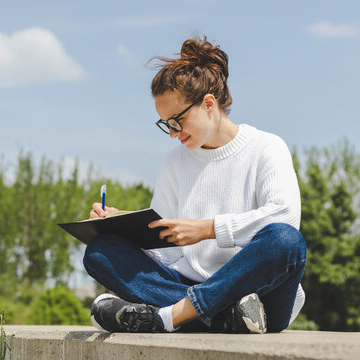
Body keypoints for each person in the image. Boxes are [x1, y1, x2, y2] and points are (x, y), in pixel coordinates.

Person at [83, 35, 306, 334]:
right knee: (100, 251)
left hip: (259, 296)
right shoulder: (173, 164)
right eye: (166, 125)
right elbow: (167, 253)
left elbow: (285, 218)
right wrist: (123, 223)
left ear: (209, 104)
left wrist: (206, 229)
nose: (173, 133)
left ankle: (169, 317)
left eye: (177, 120)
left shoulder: (267, 147)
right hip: (192, 288)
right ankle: (221, 319)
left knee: (285, 241)